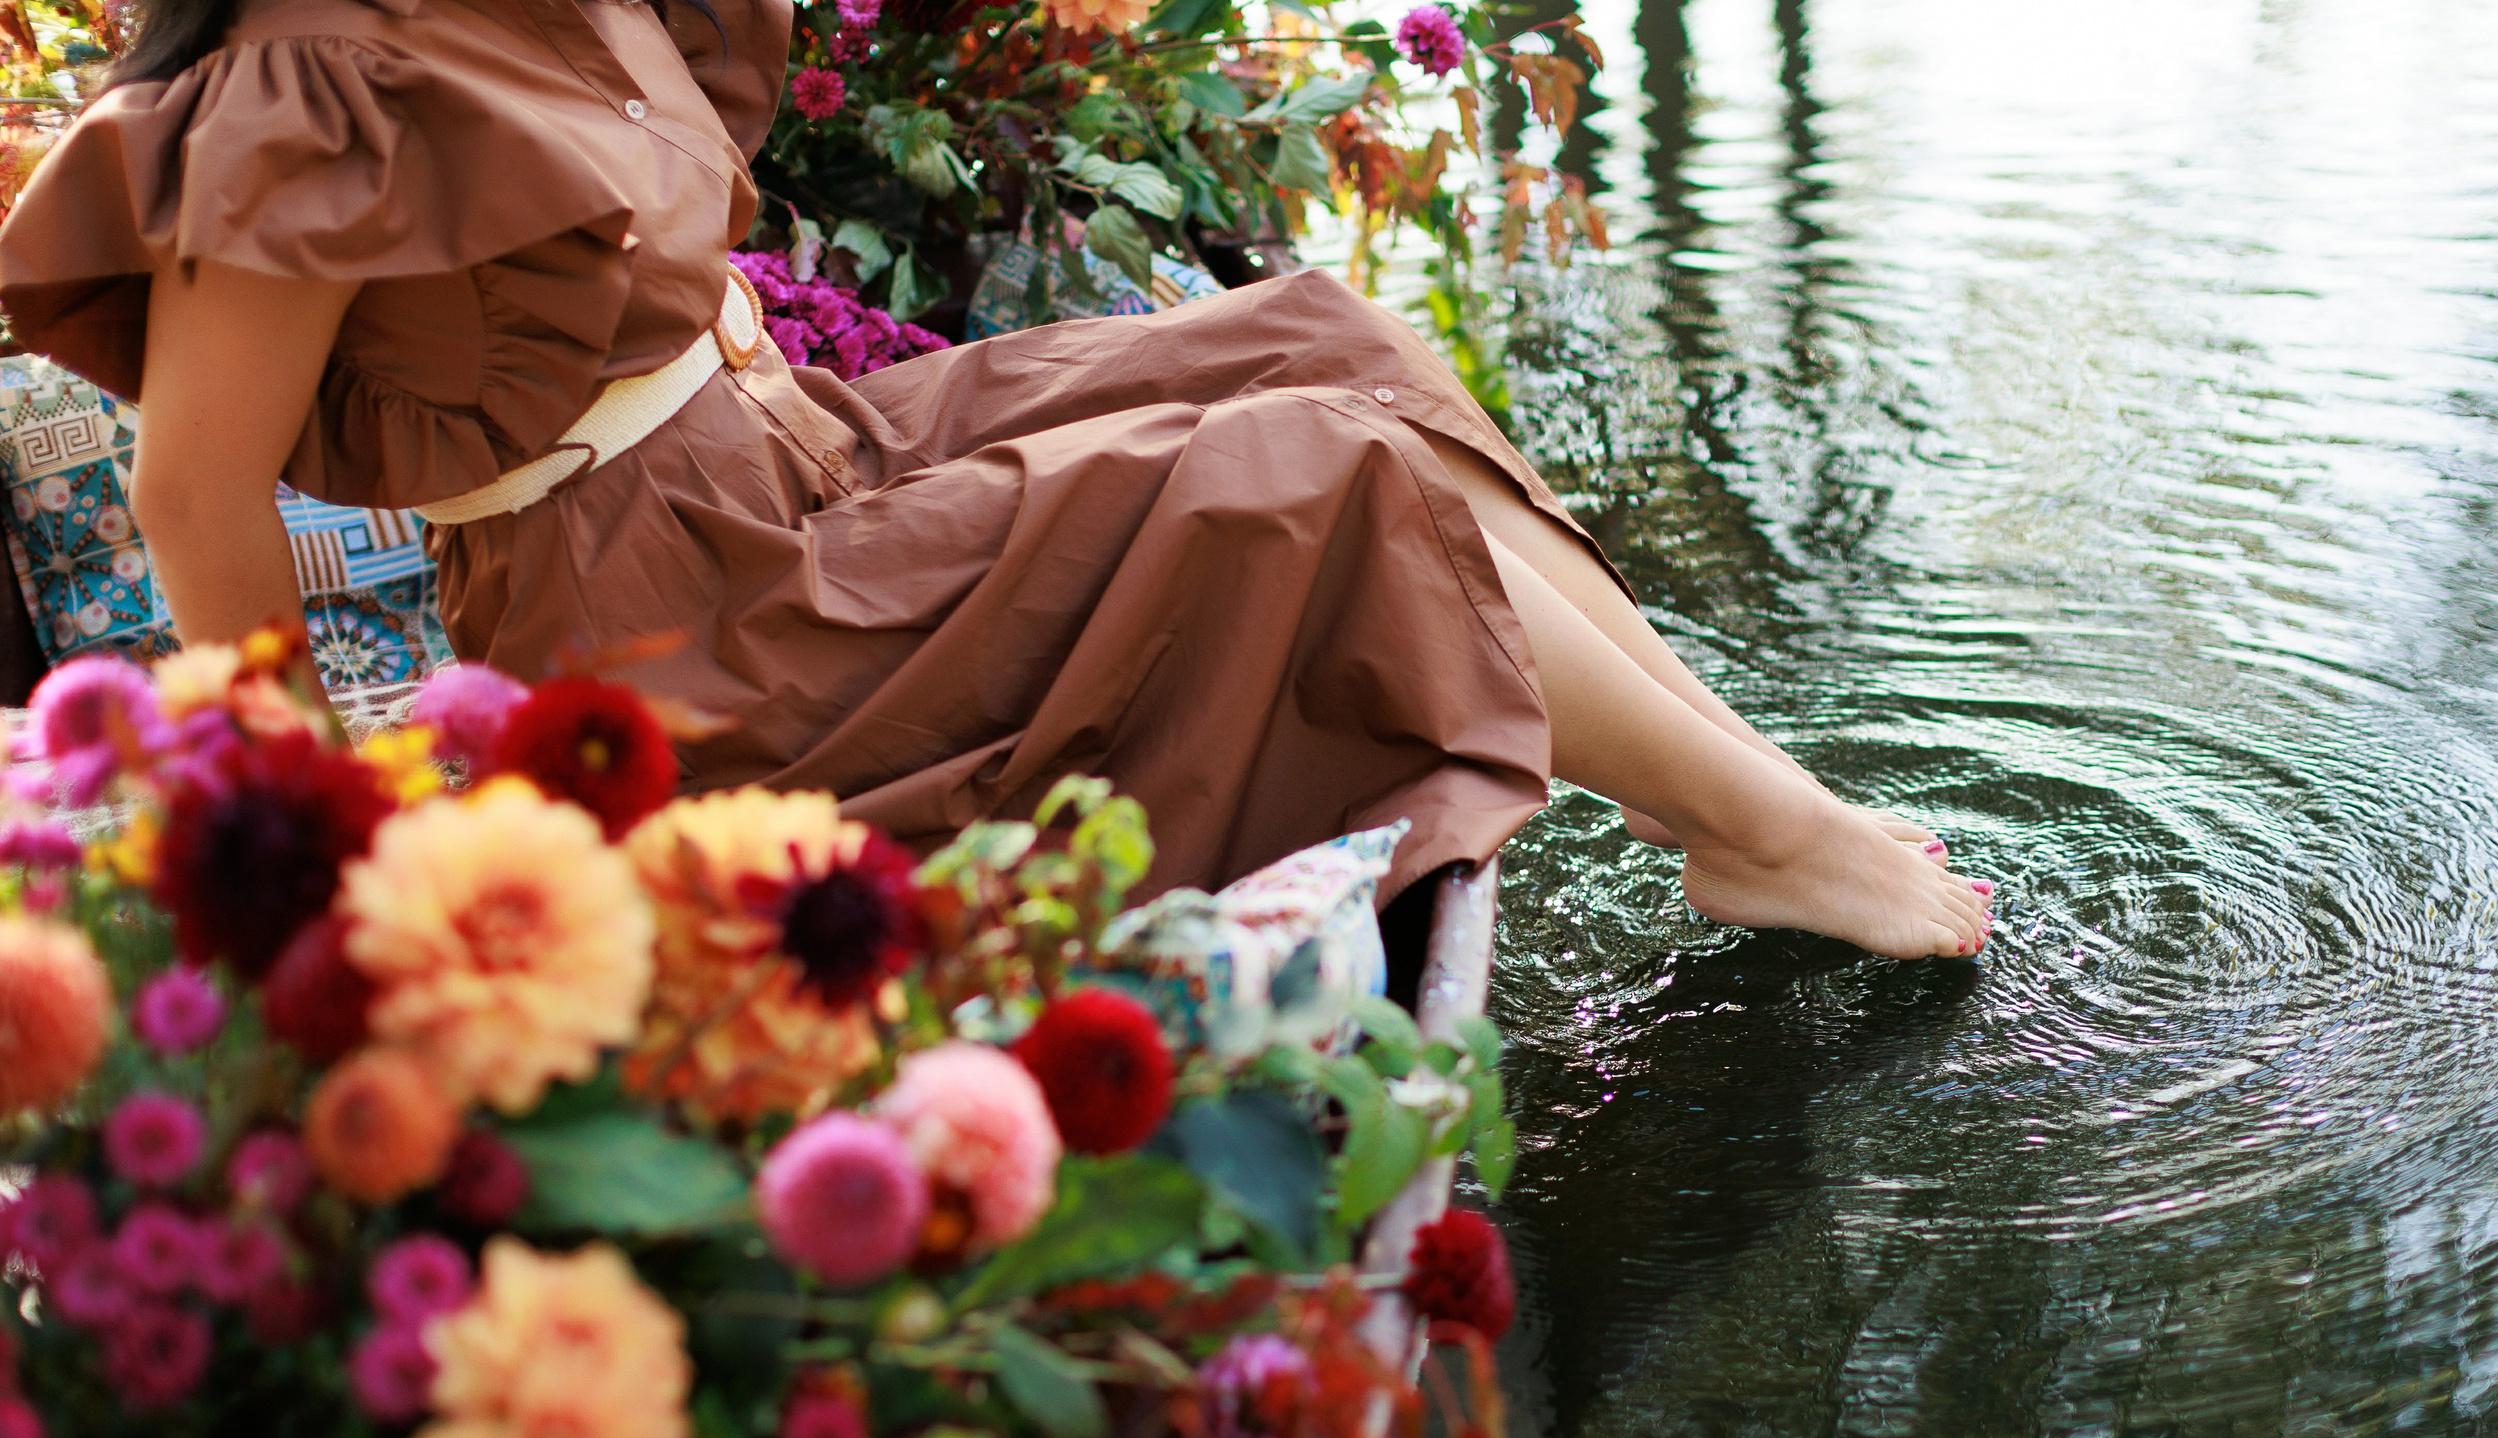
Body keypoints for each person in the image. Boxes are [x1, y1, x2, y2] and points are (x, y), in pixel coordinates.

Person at [0, 0, 1994, 959]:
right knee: (1321, 476)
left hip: (780, 463)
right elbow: (194, 495)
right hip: (669, 629)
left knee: (1328, 343)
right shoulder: (299, 74)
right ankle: (1777, 840)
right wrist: (319, 847)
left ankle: (1753, 812)